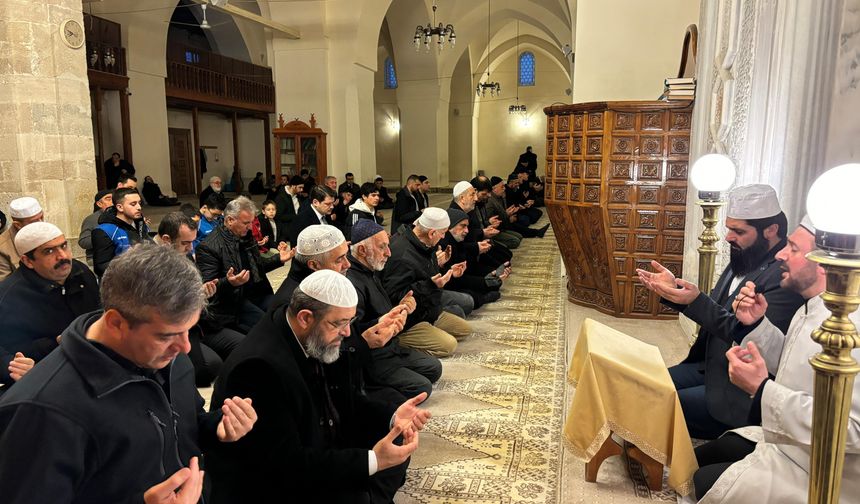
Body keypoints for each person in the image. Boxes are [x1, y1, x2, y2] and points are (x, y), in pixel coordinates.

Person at [0, 244, 258, 503]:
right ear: (116, 323)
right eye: (167, 335)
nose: (185, 347)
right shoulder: (39, 410)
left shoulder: (168, 356)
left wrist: (217, 428)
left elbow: (184, 423)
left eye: (188, 329)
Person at [206, 269, 427, 503]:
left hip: (310, 446)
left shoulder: (309, 334)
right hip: (270, 483)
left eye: (350, 321)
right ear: (305, 317)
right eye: (339, 323)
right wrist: (373, 460)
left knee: (395, 436)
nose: (348, 332)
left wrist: (392, 417)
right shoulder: (258, 368)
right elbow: (286, 464)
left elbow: (341, 397)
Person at [691, 216, 860, 503]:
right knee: (700, 458)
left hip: (823, 470)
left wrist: (762, 390)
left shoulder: (849, 327)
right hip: (790, 442)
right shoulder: (812, 307)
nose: (781, 253)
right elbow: (790, 361)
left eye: (793, 248)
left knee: (704, 481)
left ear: (824, 263)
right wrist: (756, 325)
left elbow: (851, 431)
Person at [636, 184, 804, 439]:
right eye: (728, 228)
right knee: (643, 386)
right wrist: (679, 293)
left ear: (771, 230)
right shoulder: (746, 253)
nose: (728, 237)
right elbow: (719, 309)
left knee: (660, 404)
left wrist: (695, 300)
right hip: (708, 367)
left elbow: (751, 337)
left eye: (738, 230)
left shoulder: (784, 276)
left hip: (736, 391)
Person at [347, 219, 443, 398]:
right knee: (421, 387)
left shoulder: (370, 270)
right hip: (374, 357)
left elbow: (382, 309)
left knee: (434, 368)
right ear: (362, 250)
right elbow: (354, 333)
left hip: (391, 347)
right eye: (382, 247)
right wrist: (382, 323)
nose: (389, 253)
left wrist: (400, 308)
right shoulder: (353, 282)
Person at [0, 222, 100, 388]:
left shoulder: (80, 271)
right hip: (46, 381)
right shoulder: (8, 296)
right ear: (28, 261)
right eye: (49, 251)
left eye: (64, 246)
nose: (63, 256)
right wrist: (11, 366)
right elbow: (10, 354)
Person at [158, 212, 246, 387]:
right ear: (167, 239)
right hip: (175, 329)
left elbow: (198, 290)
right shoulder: (151, 262)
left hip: (202, 322)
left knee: (243, 346)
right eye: (185, 243)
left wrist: (221, 285)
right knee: (206, 369)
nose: (191, 248)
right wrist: (194, 297)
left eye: (192, 241)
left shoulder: (184, 253)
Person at [382, 208, 472, 357]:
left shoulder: (423, 243)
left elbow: (424, 274)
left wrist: (445, 268)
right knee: (448, 345)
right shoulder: (402, 254)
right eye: (442, 233)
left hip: (428, 310)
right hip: (409, 321)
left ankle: (430, 330)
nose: (444, 237)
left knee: (464, 329)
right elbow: (393, 295)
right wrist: (430, 285)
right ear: (431, 233)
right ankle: (398, 342)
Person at [196, 196, 294, 332]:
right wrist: (229, 282)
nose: (250, 227)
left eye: (251, 222)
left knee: (287, 315)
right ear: (230, 220)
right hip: (235, 302)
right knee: (269, 328)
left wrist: (278, 259)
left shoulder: (246, 236)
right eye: (246, 223)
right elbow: (208, 288)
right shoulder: (209, 247)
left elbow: (256, 266)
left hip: (258, 292)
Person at [438, 208, 505, 308]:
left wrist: (487, 278)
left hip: (458, 279)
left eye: (467, 226)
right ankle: (482, 298)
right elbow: (452, 282)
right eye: (463, 226)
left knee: (494, 282)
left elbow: (466, 268)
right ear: (450, 226)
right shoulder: (444, 244)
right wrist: (483, 282)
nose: (466, 230)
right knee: (471, 297)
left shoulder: (456, 239)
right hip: (448, 285)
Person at [271, 224, 351, 309]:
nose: (348, 264)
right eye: (339, 259)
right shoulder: (294, 305)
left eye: (346, 255)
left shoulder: (322, 280)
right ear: (314, 265)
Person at [91, 187, 152, 277]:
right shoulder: (104, 231)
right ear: (120, 207)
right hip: (122, 284)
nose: (139, 207)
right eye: (133, 204)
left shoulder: (140, 223)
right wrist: (130, 263)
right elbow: (101, 267)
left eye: (139, 203)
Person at [0, 197, 45, 281]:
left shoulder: (47, 231)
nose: (41, 223)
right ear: (18, 225)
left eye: (41, 217)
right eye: (34, 221)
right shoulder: (2, 248)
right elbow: (5, 287)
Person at [78, 189, 113, 266]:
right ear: (99, 204)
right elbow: (83, 242)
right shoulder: (91, 219)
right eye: (108, 199)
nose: (112, 201)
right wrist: (105, 238)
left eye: (114, 198)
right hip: (97, 258)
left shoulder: (120, 217)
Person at [274, 175, 305, 242]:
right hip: (287, 230)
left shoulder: (299, 196)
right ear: (293, 186)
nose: (302, 190)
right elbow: (278, 216)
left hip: (298, 226)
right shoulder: (281, 197)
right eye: (300, 187)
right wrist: (296, 216)